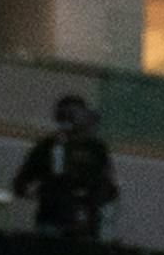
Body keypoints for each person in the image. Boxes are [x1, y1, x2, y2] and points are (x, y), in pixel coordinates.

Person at [13, 95, 119, 237]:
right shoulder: (47, 147)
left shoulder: (97, 149)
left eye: (74, 114)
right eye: (67, 115)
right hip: (52, 221)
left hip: (87, 223)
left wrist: (95, 196)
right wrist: (45, 192)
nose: (71, 120)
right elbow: (21, 184)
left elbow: (110, 187)